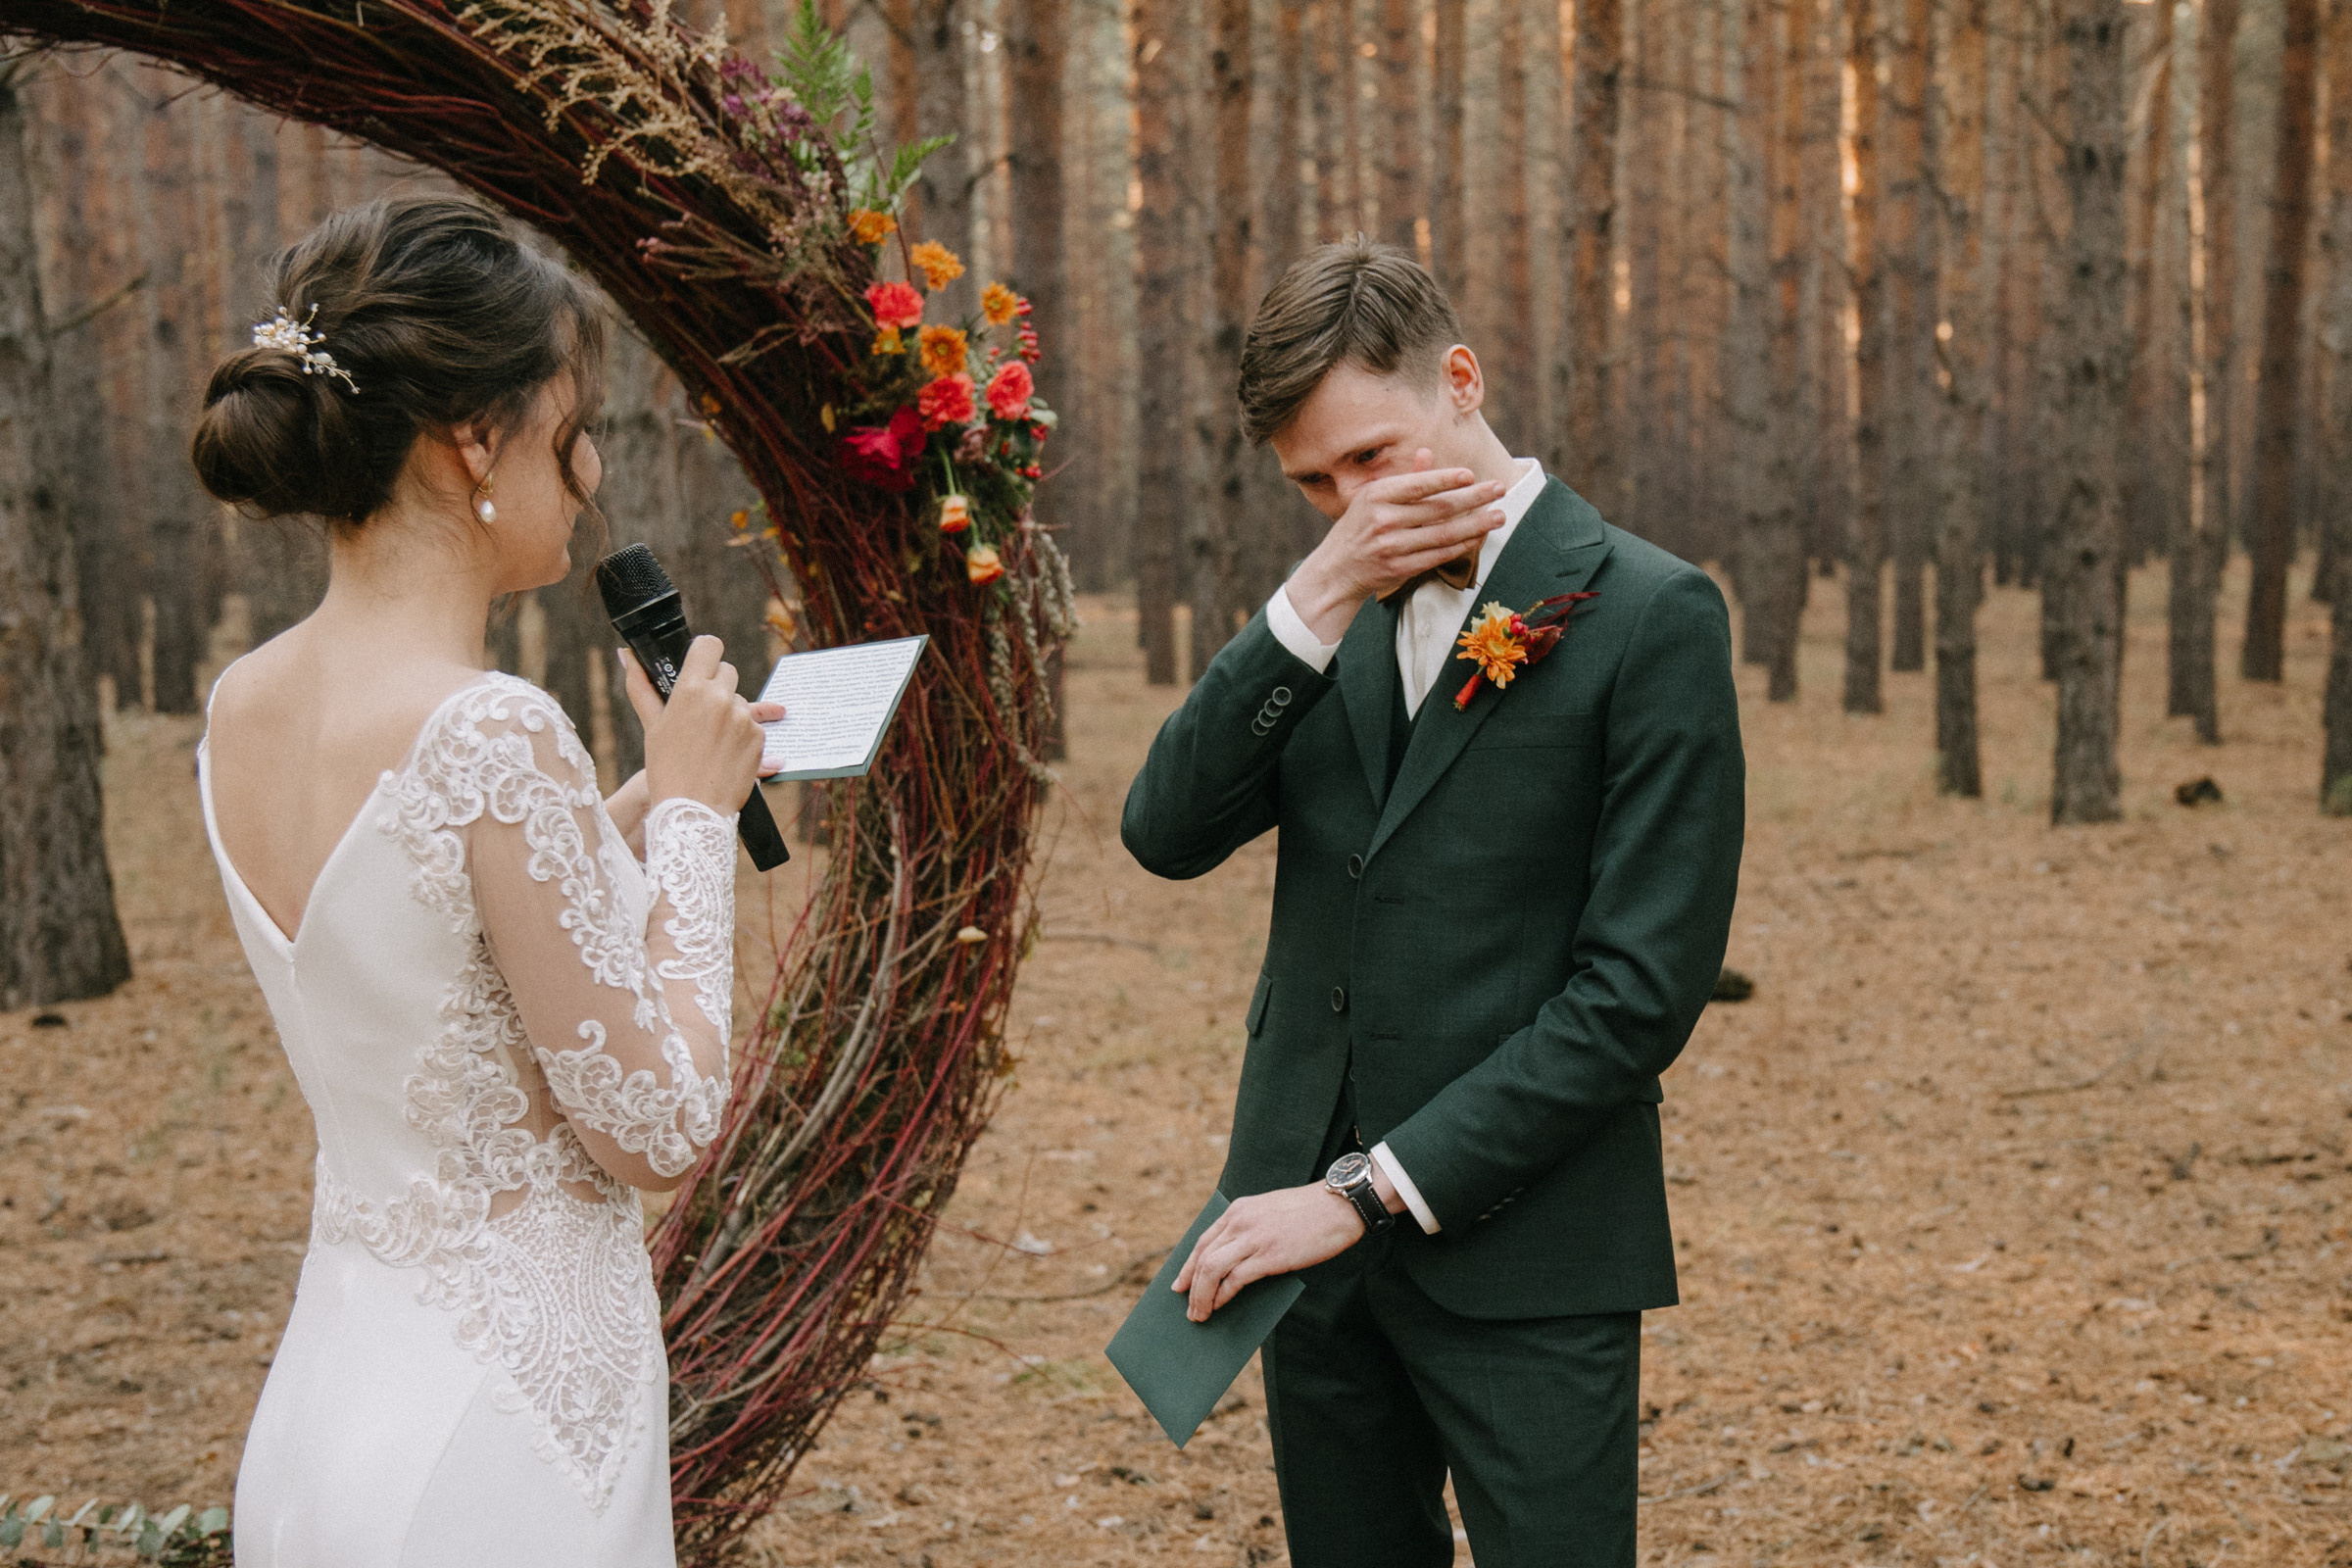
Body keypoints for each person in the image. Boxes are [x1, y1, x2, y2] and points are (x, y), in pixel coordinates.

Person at [1122, 236, 1744, 1566]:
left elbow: (1637, 995)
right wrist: (1315, 595)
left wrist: (1369, 1192)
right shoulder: (1327, 615)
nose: (1350, 505)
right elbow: (1164, 833)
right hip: (1306, 1263)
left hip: (1529, 1257)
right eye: (1313, 484)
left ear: (1460, 381)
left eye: (1370, 456)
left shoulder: (1653, 613)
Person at [191, 196, 780, 1567]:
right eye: (574, 429)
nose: (589, 471)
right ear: (476, 441)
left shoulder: (244, 703)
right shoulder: (490, 729)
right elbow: (657, 1126)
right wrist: (697, 824)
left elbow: (427, 939)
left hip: (332, 1399)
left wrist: (627, 807)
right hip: (507, 1438)